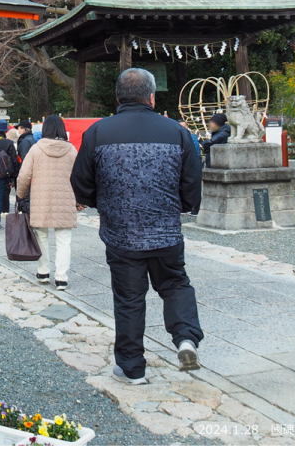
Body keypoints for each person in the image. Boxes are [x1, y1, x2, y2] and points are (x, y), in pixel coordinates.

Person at [70, 68, 204, 384]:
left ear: (118, 97)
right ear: (152, 97)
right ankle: (185, 337)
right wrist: (180, 207)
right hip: (166, 230)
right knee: (175, 284)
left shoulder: (98, 133)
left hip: (121, 233)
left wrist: (96, 201)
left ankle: (132, 368)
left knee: (129, 299)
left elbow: (81, 182)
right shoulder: (177, 132)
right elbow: (191, 180)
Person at [16, 115, 78, 291]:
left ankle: (43, 272)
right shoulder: (72, 150)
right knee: (64, 240)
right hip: (65, 199)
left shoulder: (36, 149)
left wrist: (20, 195)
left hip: (41, 199)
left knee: (41, 236)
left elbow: (24, 176)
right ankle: (61, 278)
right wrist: (80, 200)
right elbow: (80, 176)